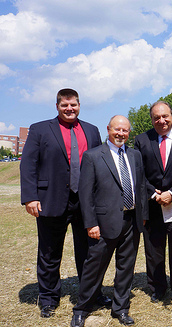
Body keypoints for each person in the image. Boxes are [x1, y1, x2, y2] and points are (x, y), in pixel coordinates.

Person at [20, 88, 111, 318]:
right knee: (49, 253)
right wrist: (31, 196)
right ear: (57, 106)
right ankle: (49, 298)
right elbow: (28, 164)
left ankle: (92, 293)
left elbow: (99, 164)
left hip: (85, 202)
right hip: (51, 200)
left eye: (73, 105)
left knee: (90, 252)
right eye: (64, 105)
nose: (69, 109)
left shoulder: (91, 130)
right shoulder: (40, 129)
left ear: (79, 105)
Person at [70, 115, 148, 327]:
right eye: (117, 129)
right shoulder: (93, 156)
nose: (121, 134)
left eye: (125, 130)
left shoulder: (135, 155)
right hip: (103, 224)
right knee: (94, 268)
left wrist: (143, 216)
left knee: (126, 268)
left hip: (132, 221)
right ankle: (81, 309)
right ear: (108, 129)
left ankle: (120, 308)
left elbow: (140, 187)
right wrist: (91, 223)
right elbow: (85, 195)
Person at [134, 101, 172, 303]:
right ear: (151, 119)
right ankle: (157, 287)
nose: (161, 121)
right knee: (153, 249)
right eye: (156, 117)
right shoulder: (142, 140)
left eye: (165, 116)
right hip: (152, 204)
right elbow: (138, 173)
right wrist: (154, 194)